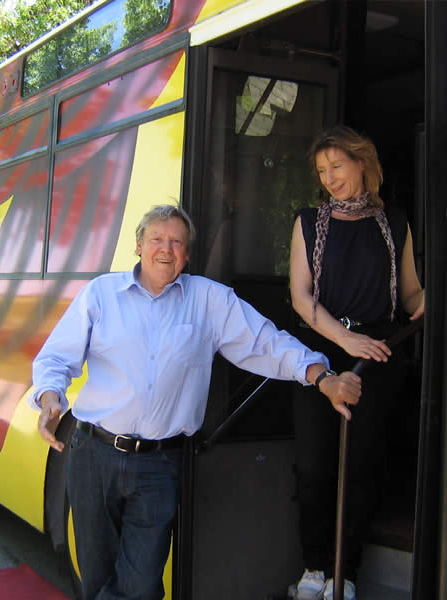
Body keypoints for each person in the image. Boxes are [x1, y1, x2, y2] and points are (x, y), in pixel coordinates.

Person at [30, 204, 362, 600]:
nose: (166, 249)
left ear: (187, 254)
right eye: (156, 239)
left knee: (141, 584)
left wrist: (321, 376)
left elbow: (267, 343)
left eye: (177, 242)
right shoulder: (101, 294)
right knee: (97, 576)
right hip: (92, 455)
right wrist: (50, 398)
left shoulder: (209, 300)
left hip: (158, 465)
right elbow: (56, 358)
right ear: (139, 246)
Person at [288, 126, 424, 600]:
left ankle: (344, 573)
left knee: (361, 468)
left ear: (362, 163)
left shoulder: (395, 223)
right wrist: (347, 339)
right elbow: (300, 297)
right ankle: (313, 566)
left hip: (377, 356)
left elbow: (409, 293)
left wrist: (427, 300)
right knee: (314, 468)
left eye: (337, 166)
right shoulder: (308, 221)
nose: (329, 178)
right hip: (319, 354)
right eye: (322, 170)